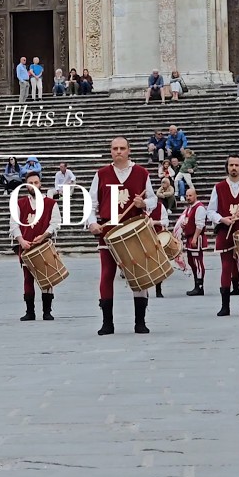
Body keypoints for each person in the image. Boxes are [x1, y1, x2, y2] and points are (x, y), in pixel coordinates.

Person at [83, 137, 158, 335]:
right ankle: (107, 323)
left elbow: (153, 199)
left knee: (139, 274)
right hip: (109, 231)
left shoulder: (142, 173)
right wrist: (91, 222)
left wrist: (144, 204)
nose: (119, 152)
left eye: (122, 148)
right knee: (107, 275)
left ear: (129, 150)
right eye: (115, 148)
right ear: (110, 151)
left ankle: (140, 322)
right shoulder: (101, 174)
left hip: (135, 230)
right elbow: (91, 204)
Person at [11, 173, 62, 321]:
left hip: (44, 245)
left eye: (36, 182)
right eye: (30, 183)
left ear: (40, 184)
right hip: (26, 245)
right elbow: (14, 224)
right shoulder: (19, 203)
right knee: (28, 278)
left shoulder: (51, 203)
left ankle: (47, 311)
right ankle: (30, 312)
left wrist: (44, 235)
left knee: (47, 277)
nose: (34, 185)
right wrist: (21, 241)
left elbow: (55, 222)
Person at [207, 155, 239, 314]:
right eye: (231, 165)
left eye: (237, 165)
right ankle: (225, 306)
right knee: (226, 267)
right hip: (225, 232)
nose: (234, 168)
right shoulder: (219, 187)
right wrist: (222, 219)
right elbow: (210, 211)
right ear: (227, 167)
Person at [179, 187, 209, 297]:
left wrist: (195, 237)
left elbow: (200, 224)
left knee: (198, 262)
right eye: (186, 196)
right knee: (192, 262)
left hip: (196, 237)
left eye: (190, 195)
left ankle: (200, 286)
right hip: (190, 237)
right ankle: (196, 285)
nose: (188, 198)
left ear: (195, 195)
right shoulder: (190, 208)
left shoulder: (199, 208)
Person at [147, 197, 171, 299]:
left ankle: (158, 289)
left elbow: (166, 221)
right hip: (144, 240)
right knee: (145, 266)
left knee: (159, 265)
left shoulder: (160, 206)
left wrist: (155, 222)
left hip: (157, 238)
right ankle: (145, 291)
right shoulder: (139, 208)